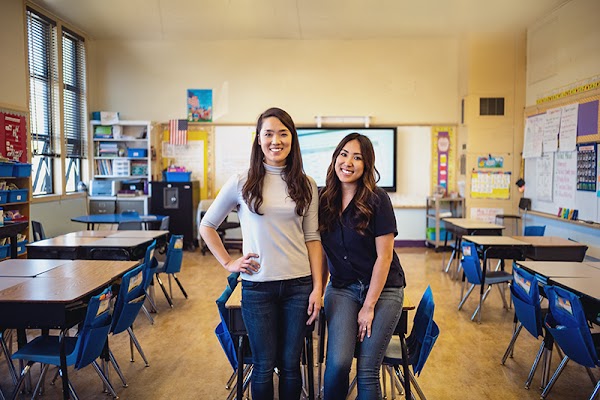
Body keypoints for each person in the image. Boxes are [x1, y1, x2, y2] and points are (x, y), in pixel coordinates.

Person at [199, 107, 323, 400]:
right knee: (264, 365)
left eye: (283, 133)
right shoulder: (242, 181)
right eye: (268, 134)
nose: (275, 140)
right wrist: (229, 262)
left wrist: (318, 288)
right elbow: (207, 225)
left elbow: (313, 238)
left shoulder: (307, 184)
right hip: (257, 287)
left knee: (292, 365)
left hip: (299, 287)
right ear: (258, 139)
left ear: (292, 139)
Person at [319, 133, 406, 399]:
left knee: (368, 368)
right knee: (338, 364)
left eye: (357, 157)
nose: (348, 162)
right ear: (335, 158)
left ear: (367, 165)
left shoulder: (377, 199)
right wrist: (317, 290)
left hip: (384, 290)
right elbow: (322, 252)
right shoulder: (322, 200)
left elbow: (385, 257)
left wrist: (368, 307)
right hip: (343, 288)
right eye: (344, 154)